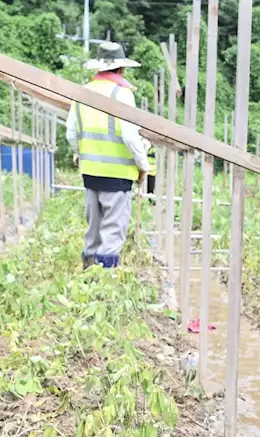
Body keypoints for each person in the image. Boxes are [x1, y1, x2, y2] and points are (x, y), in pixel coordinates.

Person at [65, 42, 150, 269]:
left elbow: (71, 132)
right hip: (118, 174)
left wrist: (78, 153)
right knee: (113, 230)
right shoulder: (121, 94)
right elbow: (131, 136)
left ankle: (88, 274)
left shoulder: (82, 93)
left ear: (99, 68)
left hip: (91, 172)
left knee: (93, 227)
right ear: (121, 69)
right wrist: (144, 165)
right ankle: (105, 284)